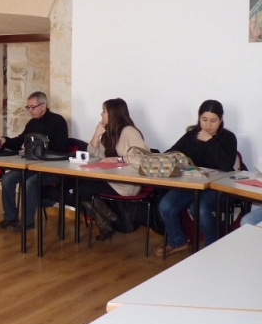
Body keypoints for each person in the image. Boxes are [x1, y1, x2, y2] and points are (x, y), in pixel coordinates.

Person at [156, 100, 238, 256]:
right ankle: (177, 241)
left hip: (216, 186)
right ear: (199, 118)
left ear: (220, 120)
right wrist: (172, 160)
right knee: (166, 205)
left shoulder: (228, 138)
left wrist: (210, 141)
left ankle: (212, 246)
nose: (208, 125)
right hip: (194, 184)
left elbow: (226, 165)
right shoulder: (192, 135)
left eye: (213, 121)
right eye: (204, 120)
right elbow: (172, 152)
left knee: (199, 208)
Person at [0, 91, 68, 232]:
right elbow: (20, 141)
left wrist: (36, 146)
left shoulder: (58, 121)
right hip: (33, 166)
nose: (30, 111)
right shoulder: (32, 123)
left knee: (30, 183)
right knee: (7, 178)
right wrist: (5, 140)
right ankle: (10, 217)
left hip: (53, 168)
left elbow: (61, 148)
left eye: (33, 107)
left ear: (44, 106)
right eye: (28, 107)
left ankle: (28, 222)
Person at [81, 98, 150, 241]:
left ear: (114, 113)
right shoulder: (109, 133)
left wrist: (119, 159)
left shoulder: (129, 132)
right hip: (110, 178)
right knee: (79, 187)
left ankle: (114, 221)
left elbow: (144, 157)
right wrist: (96, 134)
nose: (101, 114)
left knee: (82, 189)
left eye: (104, 111)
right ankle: (108, 224)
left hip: (126, 183)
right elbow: (94, 155)